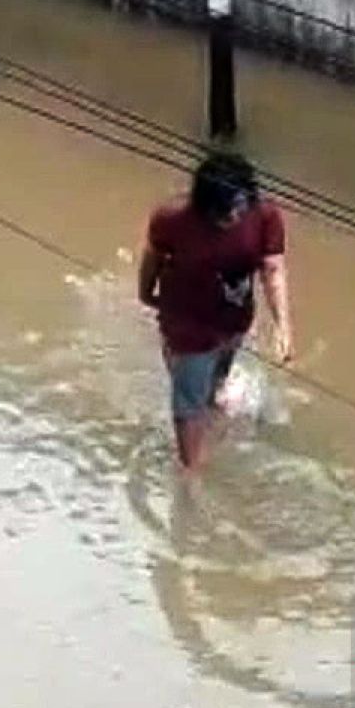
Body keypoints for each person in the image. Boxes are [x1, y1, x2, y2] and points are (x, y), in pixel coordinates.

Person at [138, 152, 294, 473]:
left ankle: (208, 397)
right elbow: (152, 257)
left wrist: (283, 325)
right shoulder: (172, 219)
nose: (233, 216)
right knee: (189, 402)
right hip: (187, 326)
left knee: (215, 381)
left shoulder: (265, 216)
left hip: (233, 320)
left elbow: (272, 269)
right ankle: (191, 474)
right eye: (224, 211)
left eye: (239, 207)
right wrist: (145, 293)